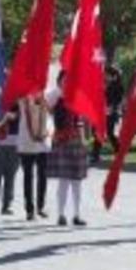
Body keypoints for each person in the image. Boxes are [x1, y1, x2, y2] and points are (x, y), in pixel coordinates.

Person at [46, 72, 89, 227]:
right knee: (64, 181)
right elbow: (44, 106)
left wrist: (83, 140)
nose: (66, 82)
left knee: (77, 182)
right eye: (64, 80)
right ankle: (61, 215)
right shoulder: (55, 96)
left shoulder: (77, 96)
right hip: (61, 139)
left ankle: (77, 215)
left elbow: (80, 122)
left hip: (76, 139)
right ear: (59, 81)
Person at [17, 91, 52, 221]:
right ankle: (30, 209)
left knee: (42, 175)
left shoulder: (47, 93)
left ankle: (41, 206)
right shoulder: (23, 95)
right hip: (27, 140)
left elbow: (51, 111)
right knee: (28, 175)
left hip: (43, 139)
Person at [0, 105, 18, 216]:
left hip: (14, 142)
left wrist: (14, 116)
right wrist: (1, 119)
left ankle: (7, 205)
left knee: (10, 176)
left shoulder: (17, 100)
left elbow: (22, 116)